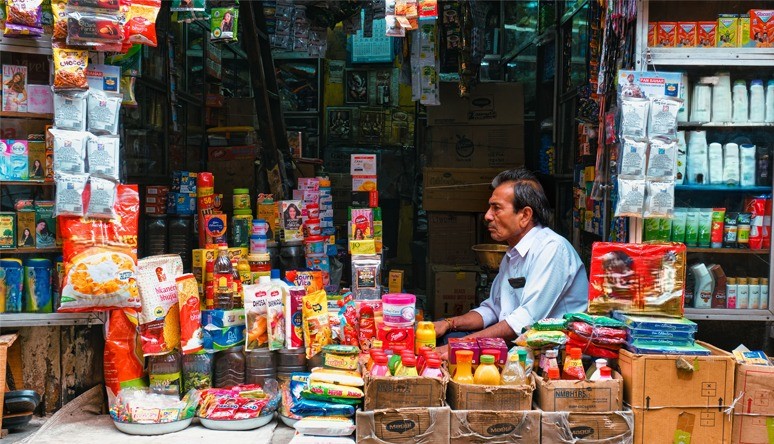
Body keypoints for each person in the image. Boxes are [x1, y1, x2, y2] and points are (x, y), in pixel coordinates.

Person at [433, 168, 589, 358]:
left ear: (525, 215)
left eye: (496, 208)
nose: (488, 216)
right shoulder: (513, 253)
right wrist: (449, 323)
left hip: (553, 356)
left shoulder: (552, 249)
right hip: (520, 346)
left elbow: (525, 321)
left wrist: (461, 345)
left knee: (452, 347)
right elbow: (493, 309)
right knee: (444, 337)